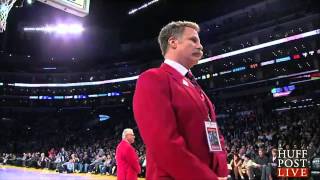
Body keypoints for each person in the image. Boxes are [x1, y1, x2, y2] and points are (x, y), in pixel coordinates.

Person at [133, 21, 228, 180]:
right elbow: (164, 144)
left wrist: (222, 169)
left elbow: (214, 134)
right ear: (173, 42)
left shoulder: (195, 85)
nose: (200, 46)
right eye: (193, 40)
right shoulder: (153, 78)